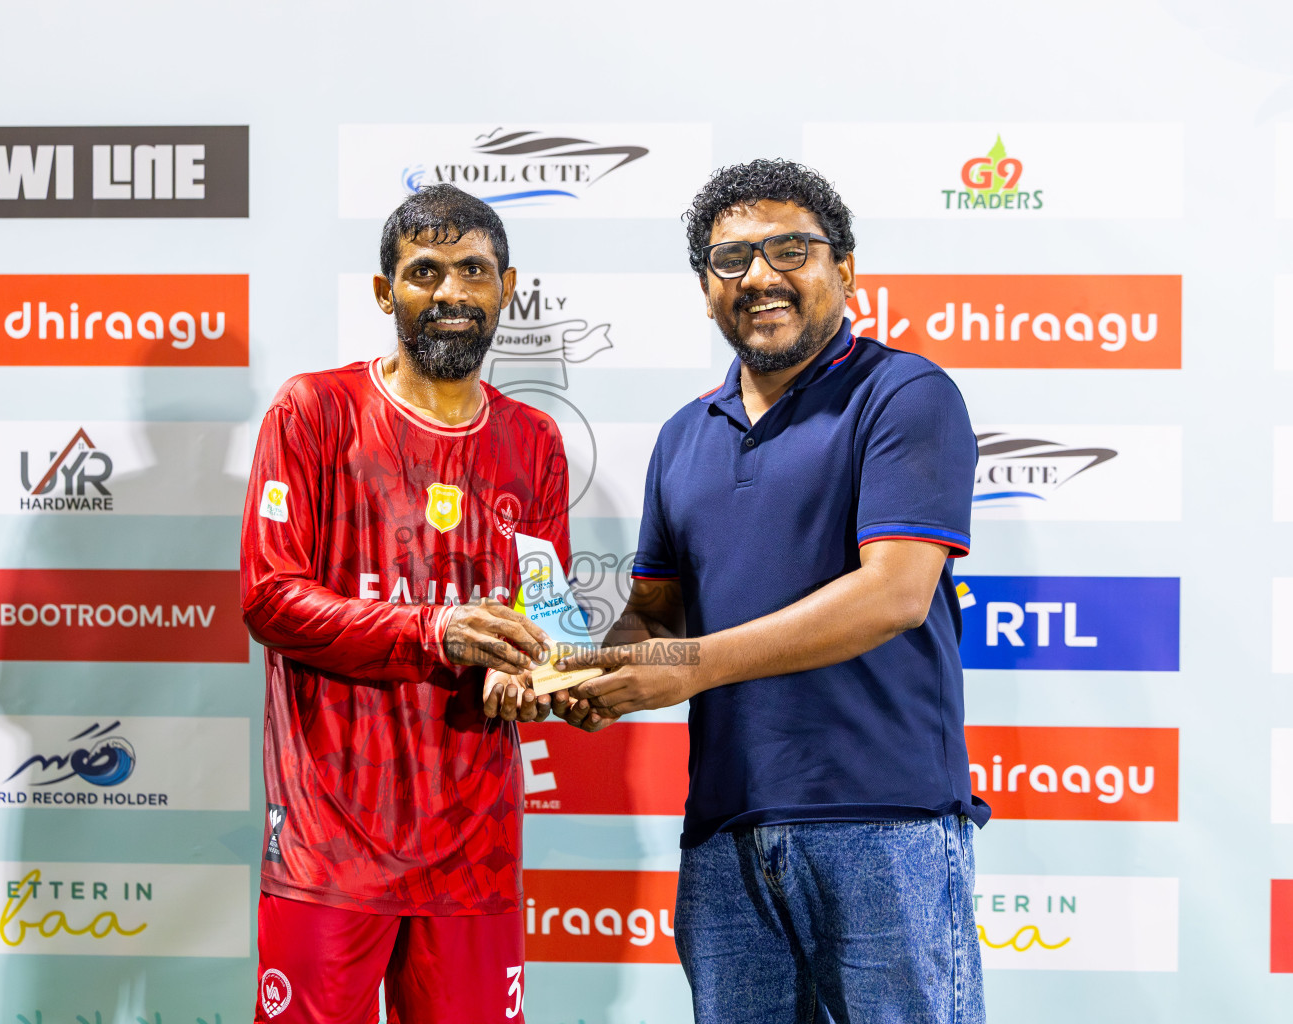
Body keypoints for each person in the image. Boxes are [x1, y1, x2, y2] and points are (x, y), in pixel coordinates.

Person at [557, 159, 988, 1024]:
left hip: (882, 819)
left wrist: (691, 665)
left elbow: (895, 594)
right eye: (730, 260)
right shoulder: (685, 434)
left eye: (790, 249)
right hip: (724, 831)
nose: (759, 276)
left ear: (847, 268)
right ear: (705, 287)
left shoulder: (905, 394)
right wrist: (570, 673)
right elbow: (655, 614)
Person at [240, 183, 573, 1024]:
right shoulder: (314, 411)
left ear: (505, 287)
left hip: (475, 855)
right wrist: (436, 630)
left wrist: (529, 673)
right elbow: (270, 599)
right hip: (330, 847)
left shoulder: (534, 442)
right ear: (386, 292)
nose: (452, 292)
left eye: (474, 271)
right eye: (425, 272)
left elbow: (546, 625)